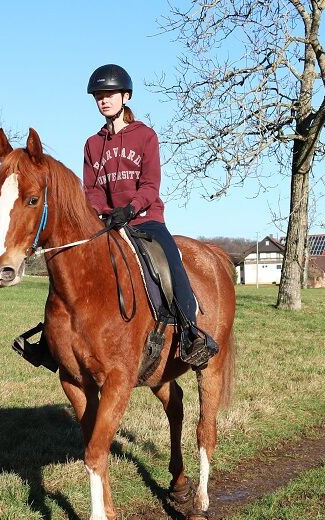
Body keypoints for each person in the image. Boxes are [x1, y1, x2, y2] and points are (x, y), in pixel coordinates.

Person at [83, 63, 218, 367]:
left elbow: (150, 184)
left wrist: (129, 209)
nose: (104, 100)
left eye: (110, 94)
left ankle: (191, 332)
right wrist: (105, 212)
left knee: (170, 259)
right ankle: (58, 337)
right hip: (108, 223)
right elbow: (90, 189)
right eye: (99, 95)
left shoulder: (145, 136)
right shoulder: (92, 145)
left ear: (126, 96)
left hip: (145, 219)